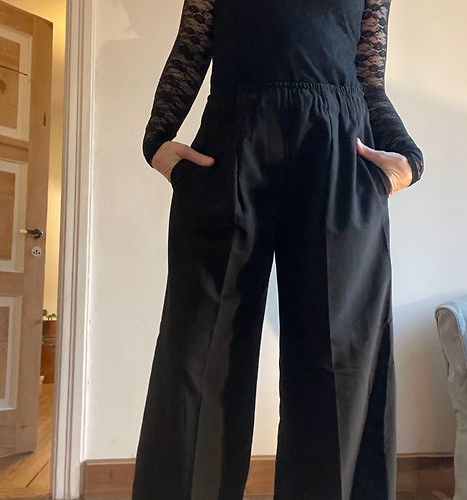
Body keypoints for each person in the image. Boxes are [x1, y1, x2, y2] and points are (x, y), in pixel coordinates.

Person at [132, 0, 424, 498]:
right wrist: (157, 140)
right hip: (230, 148)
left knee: (341, 356)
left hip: (339, 155)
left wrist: (409, 160)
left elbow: (369, 79)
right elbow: (191, 48)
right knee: (200, 350)